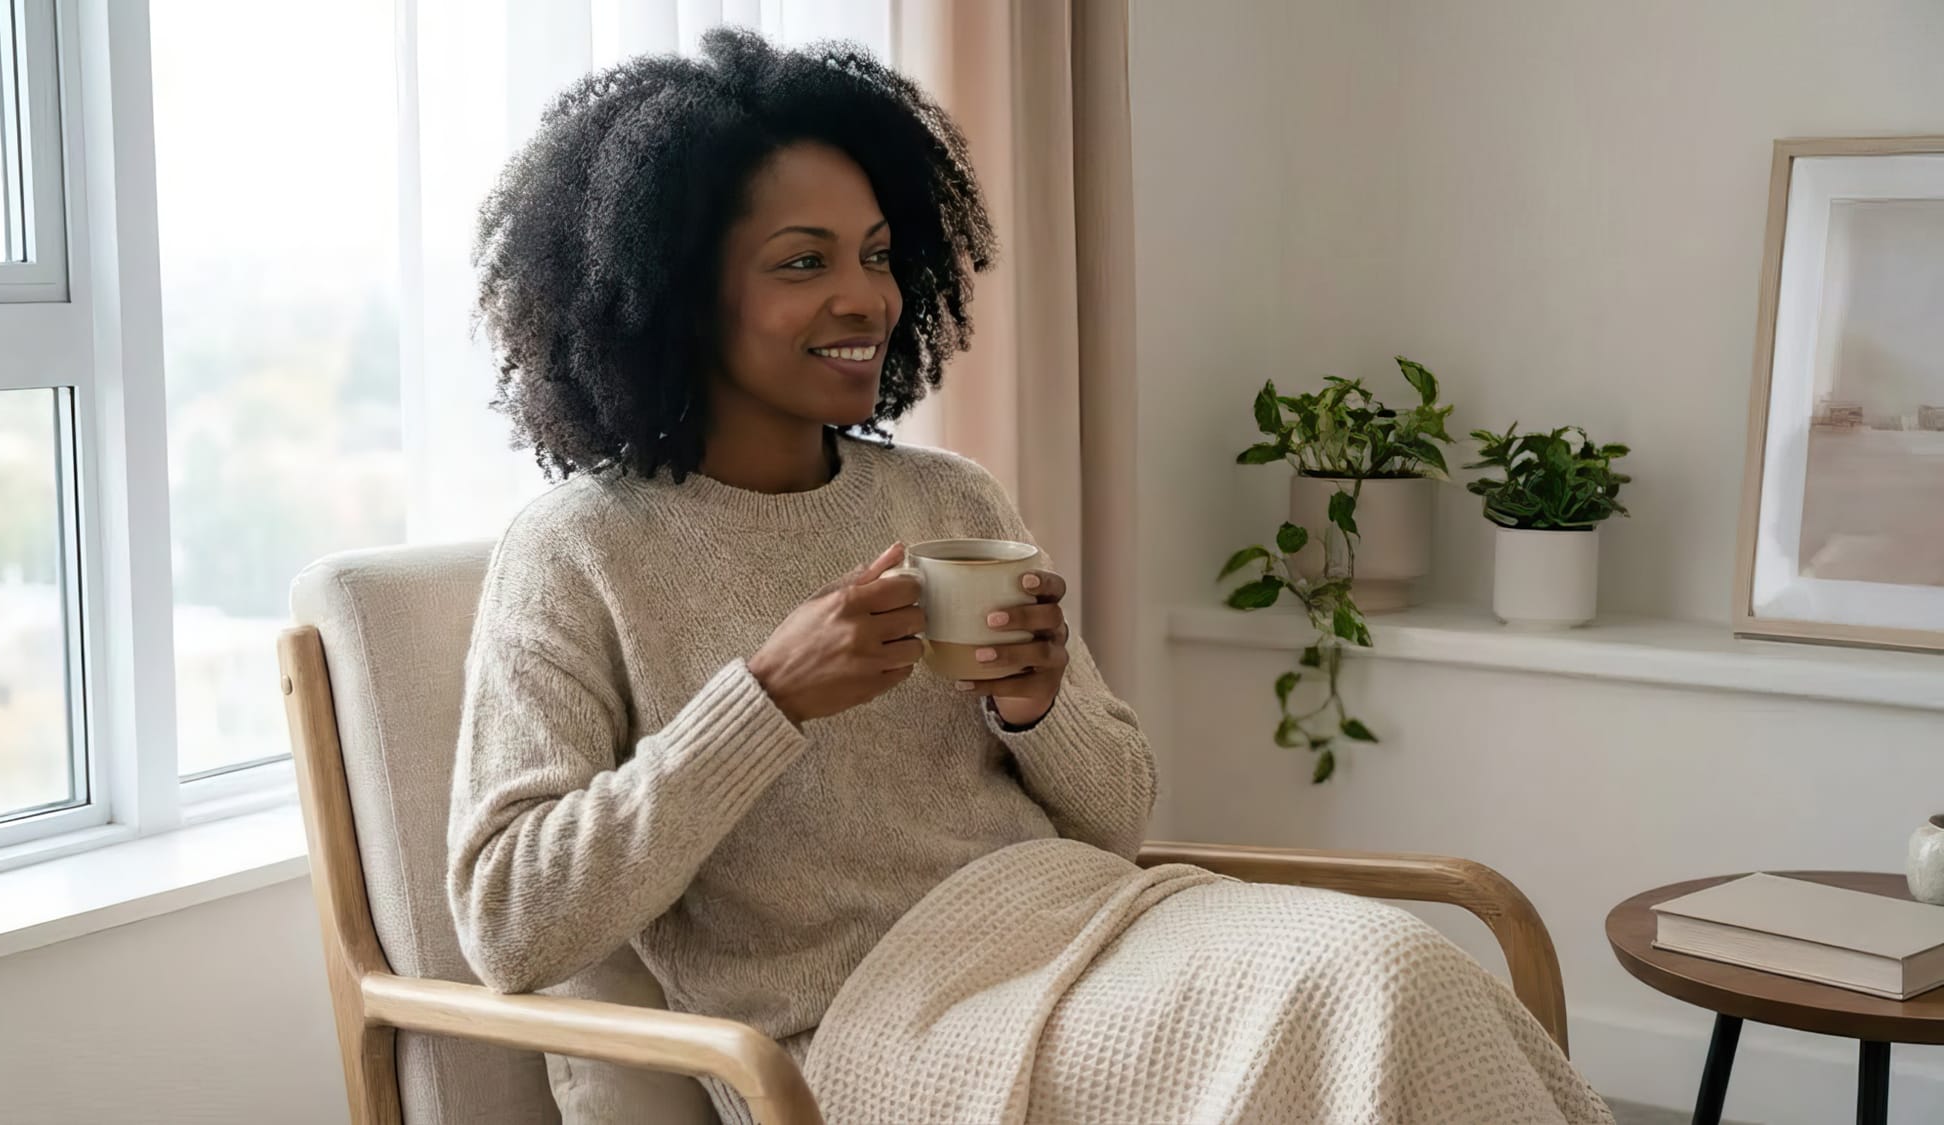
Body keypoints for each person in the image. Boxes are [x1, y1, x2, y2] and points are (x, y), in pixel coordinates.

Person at [448, 28, 1611, 1125]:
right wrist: (766, 700)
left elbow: (1115, 817)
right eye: (801, 263)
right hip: (870, 1029)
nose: (864, 299)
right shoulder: (577, 552)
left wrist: (1036, 703)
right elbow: (509, 920)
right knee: (1370, 989)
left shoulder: (947, 500)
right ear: (670, 295)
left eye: (876, 255)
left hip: (1082, 924)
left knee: (1396, 966)